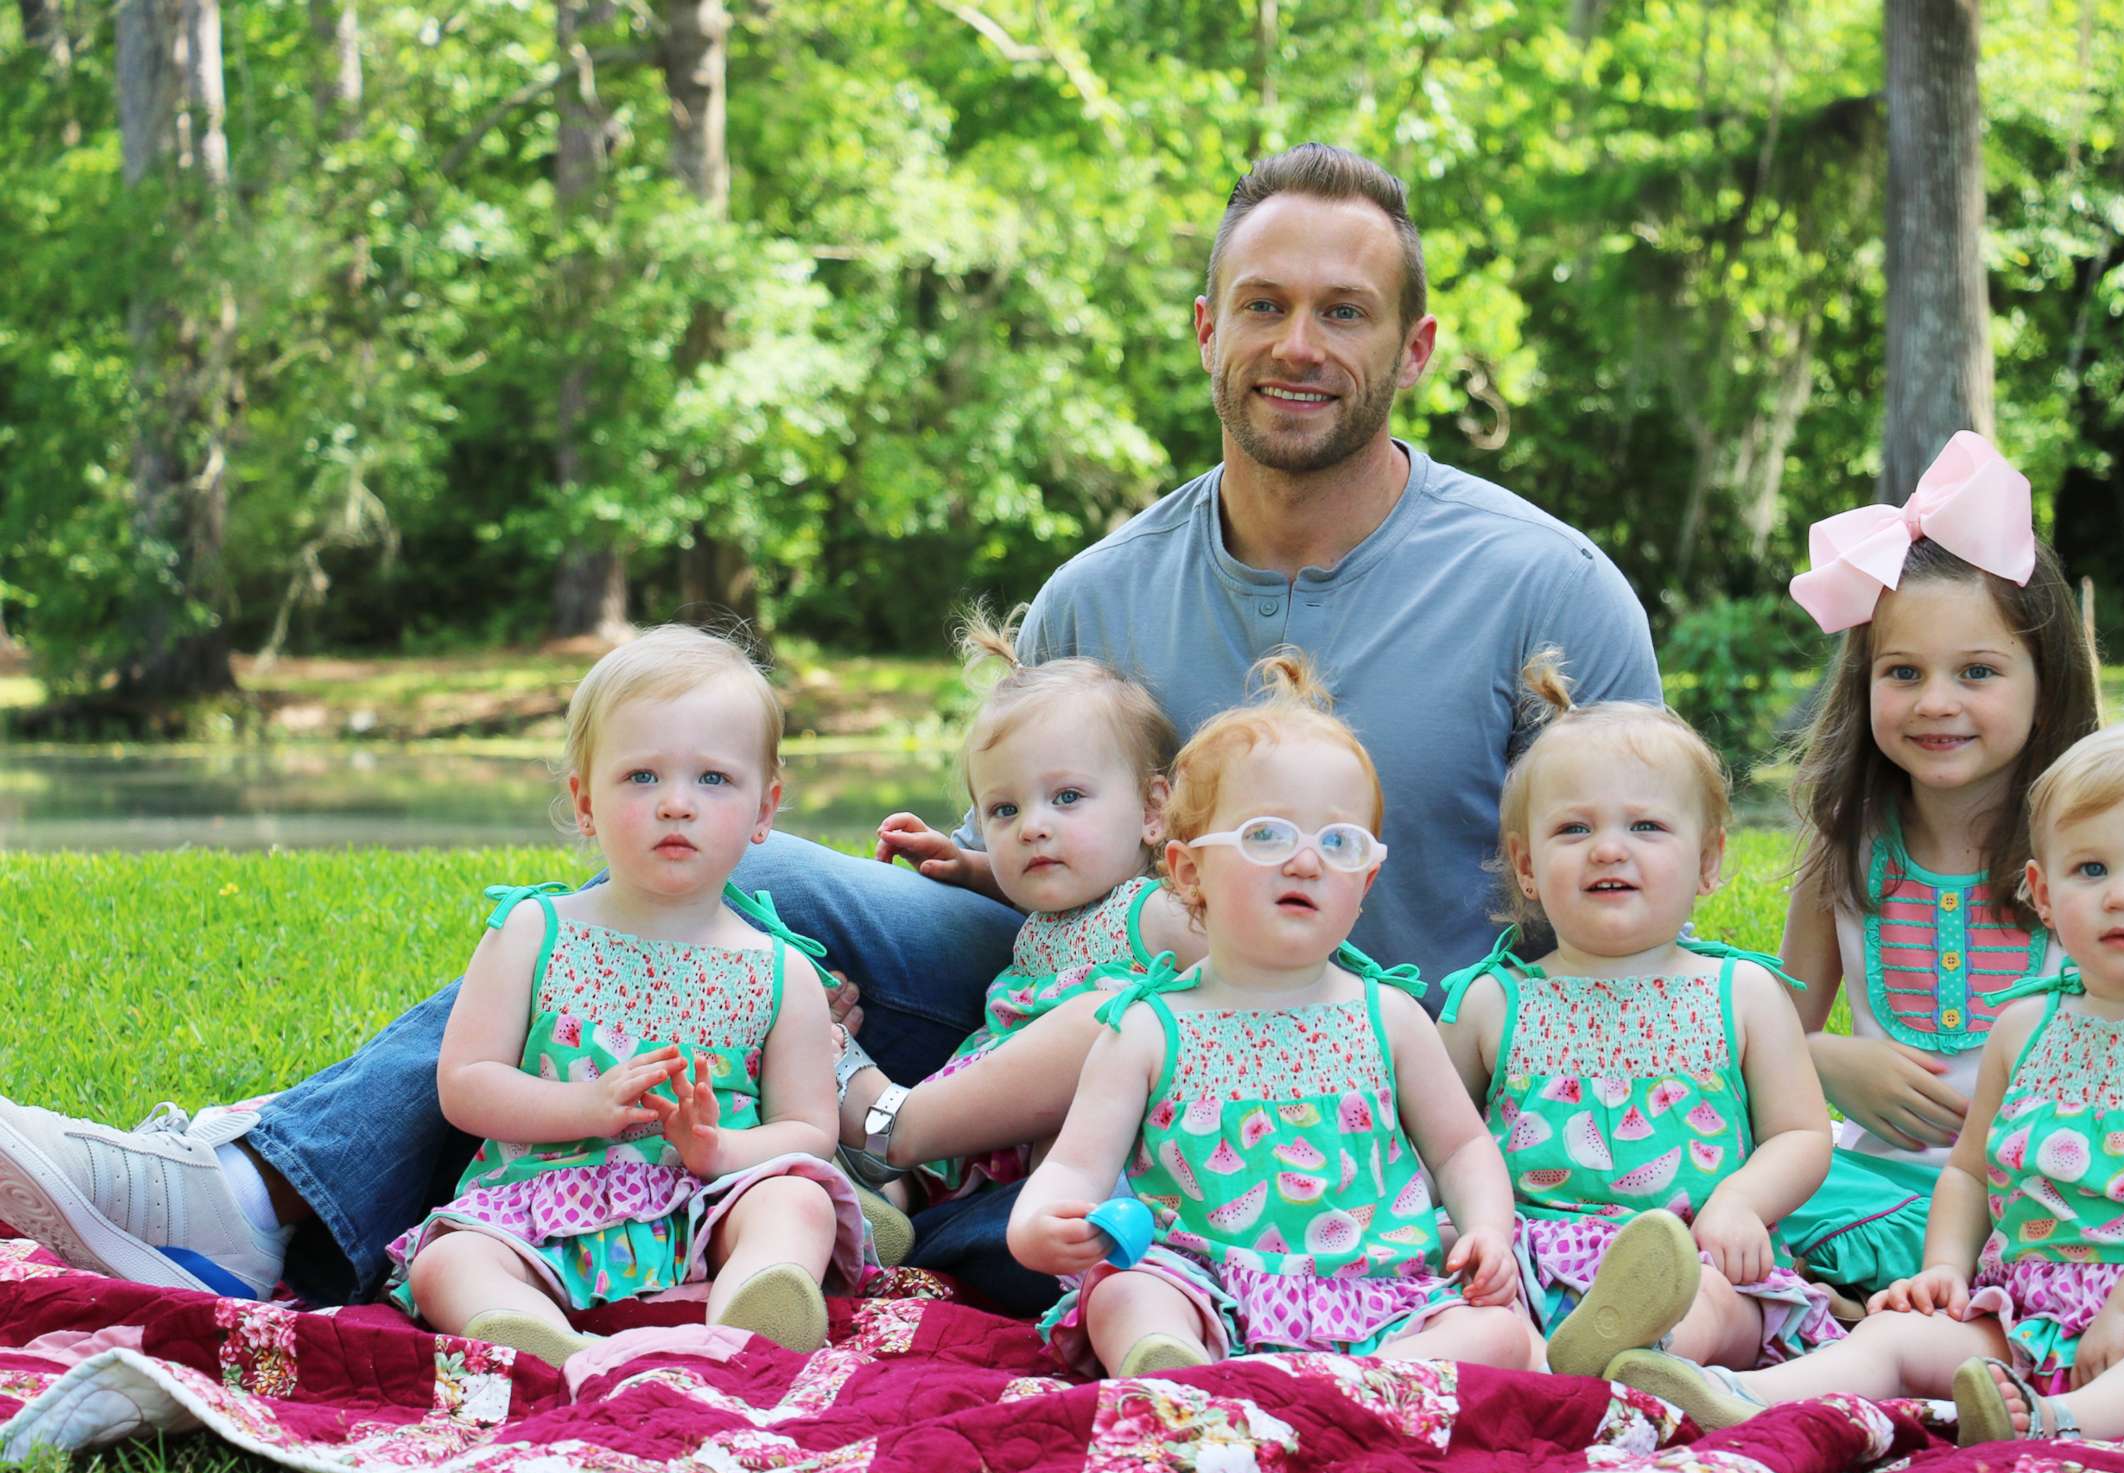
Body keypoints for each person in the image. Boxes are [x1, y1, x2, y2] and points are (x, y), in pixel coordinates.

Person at [0, 141, 1654, 1313]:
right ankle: (261, 1189)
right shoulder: (1101, 590)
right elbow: (1077, 887)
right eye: (1264, 303)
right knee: (727, 868)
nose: (1300, 344)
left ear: (1414, 345)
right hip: (1091, 999)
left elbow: (1620, 896)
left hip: (1371, 1058)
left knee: (997, 1195)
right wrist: (994, 870)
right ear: (1206, 326)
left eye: (1346, 312)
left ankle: (866, 1196)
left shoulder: (1540, 591)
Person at [1606, 720, 2124, 1440]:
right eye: (2091, 870)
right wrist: (1943, 1273)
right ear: (2042, 893)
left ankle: (2062, 1424)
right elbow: (1968, 1171)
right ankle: (1740, 1393)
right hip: (2029, 1314)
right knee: (1901, 1332)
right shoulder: (2025, 1025)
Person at [1765, 431, 2124, 1292]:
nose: (1937, 702)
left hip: (2065, 1175)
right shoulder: (1846, 850)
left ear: (2045, 681)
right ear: (1864, 686)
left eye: (1977, 671)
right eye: (1902, 673)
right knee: (1745, 1183)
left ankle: (1902, 1277)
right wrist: (1828, 1061)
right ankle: (1951, 1268)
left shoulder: (2091, 857)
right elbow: (1771, 1032)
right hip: (1884, 1177)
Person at [1008, 654, 1538, 1378]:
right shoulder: (1147, 1028)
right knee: (1125, 1294)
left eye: (1339, 843)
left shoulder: (1390, 1018)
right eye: (1267, 836)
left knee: (1499, 1336)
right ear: (1188, 871)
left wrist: (1485, 1229)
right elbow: (1075, 1163)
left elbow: (1461, 1149)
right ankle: (1181, 1371)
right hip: (1211, 1292)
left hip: (1380, 1299)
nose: (1306, 863)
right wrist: (1042, 1223)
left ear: (1366, 881)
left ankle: (1352, 1385)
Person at [390, 627, 884, 1366]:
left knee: (798, 1201)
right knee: (447, 1263)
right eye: (642, 777)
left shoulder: (781, 972)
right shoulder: (534, 930)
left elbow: (809, 1131)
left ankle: (751, 1307)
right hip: (541, 1210)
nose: (677, 804)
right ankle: (536, 1335)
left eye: (713, 779)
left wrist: (721, 1149)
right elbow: (465, 1084)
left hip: (707, 1211)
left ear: (765, 810)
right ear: (585, 803)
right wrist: (583, 1108)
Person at [1436, 651, 1840, 1387]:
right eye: (1573, 830)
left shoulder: (1741, 993)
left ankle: (1651, 1354)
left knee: (1721, 1307)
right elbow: (1434, 1140)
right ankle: (1543, 1362)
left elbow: (1803, 1133)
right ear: (1526, 867)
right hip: (1532, 1263)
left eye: (1647, 825)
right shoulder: (1493, 1002)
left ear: (1710, 861)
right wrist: (1474, 1239)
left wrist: (1741, 1205)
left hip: (1695, 1255)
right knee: (1472, 1320)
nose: (1610, 848)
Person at [837, 610, 1203, 1224]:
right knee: (913, 1187)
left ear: (1152, 809)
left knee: (1104, 1020)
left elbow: (1245, 966)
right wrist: (971, 867)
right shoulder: (1057, 908)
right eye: (1004, 810)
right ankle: (883, 1207)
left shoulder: (1156, 909)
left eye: (1066, 798)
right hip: (998, 1125)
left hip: (1102, 1133)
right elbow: (1040, 884)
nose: (1033, 826)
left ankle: (894, 1131)